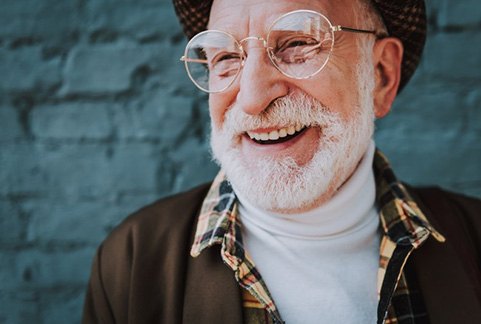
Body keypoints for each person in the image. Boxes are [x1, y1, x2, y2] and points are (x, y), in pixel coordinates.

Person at [82, 0, 481, 323]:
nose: (252, 97)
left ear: (380, 75)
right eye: (224, 56)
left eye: (297, 44)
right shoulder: (130, 264)